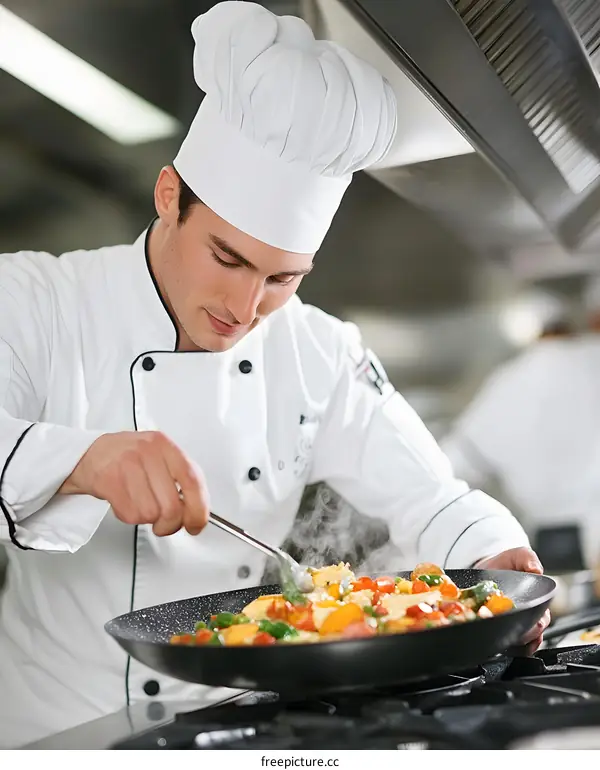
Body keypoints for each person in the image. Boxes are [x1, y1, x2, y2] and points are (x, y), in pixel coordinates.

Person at [0, 1, 546, 748]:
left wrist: (495, 558)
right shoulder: (36, 300)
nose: (244, 307)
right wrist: (81, 460)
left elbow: (430, 496)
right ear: (169, 197)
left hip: (235, 724)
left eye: (282, 278)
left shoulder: (320, 351)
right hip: (55, 730)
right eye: (226, 258)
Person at [441, 277, 600, 572]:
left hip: (536, 544)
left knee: (552, 594)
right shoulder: (591, 362)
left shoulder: (511, 377)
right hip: (595, 538)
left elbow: (454, 462)